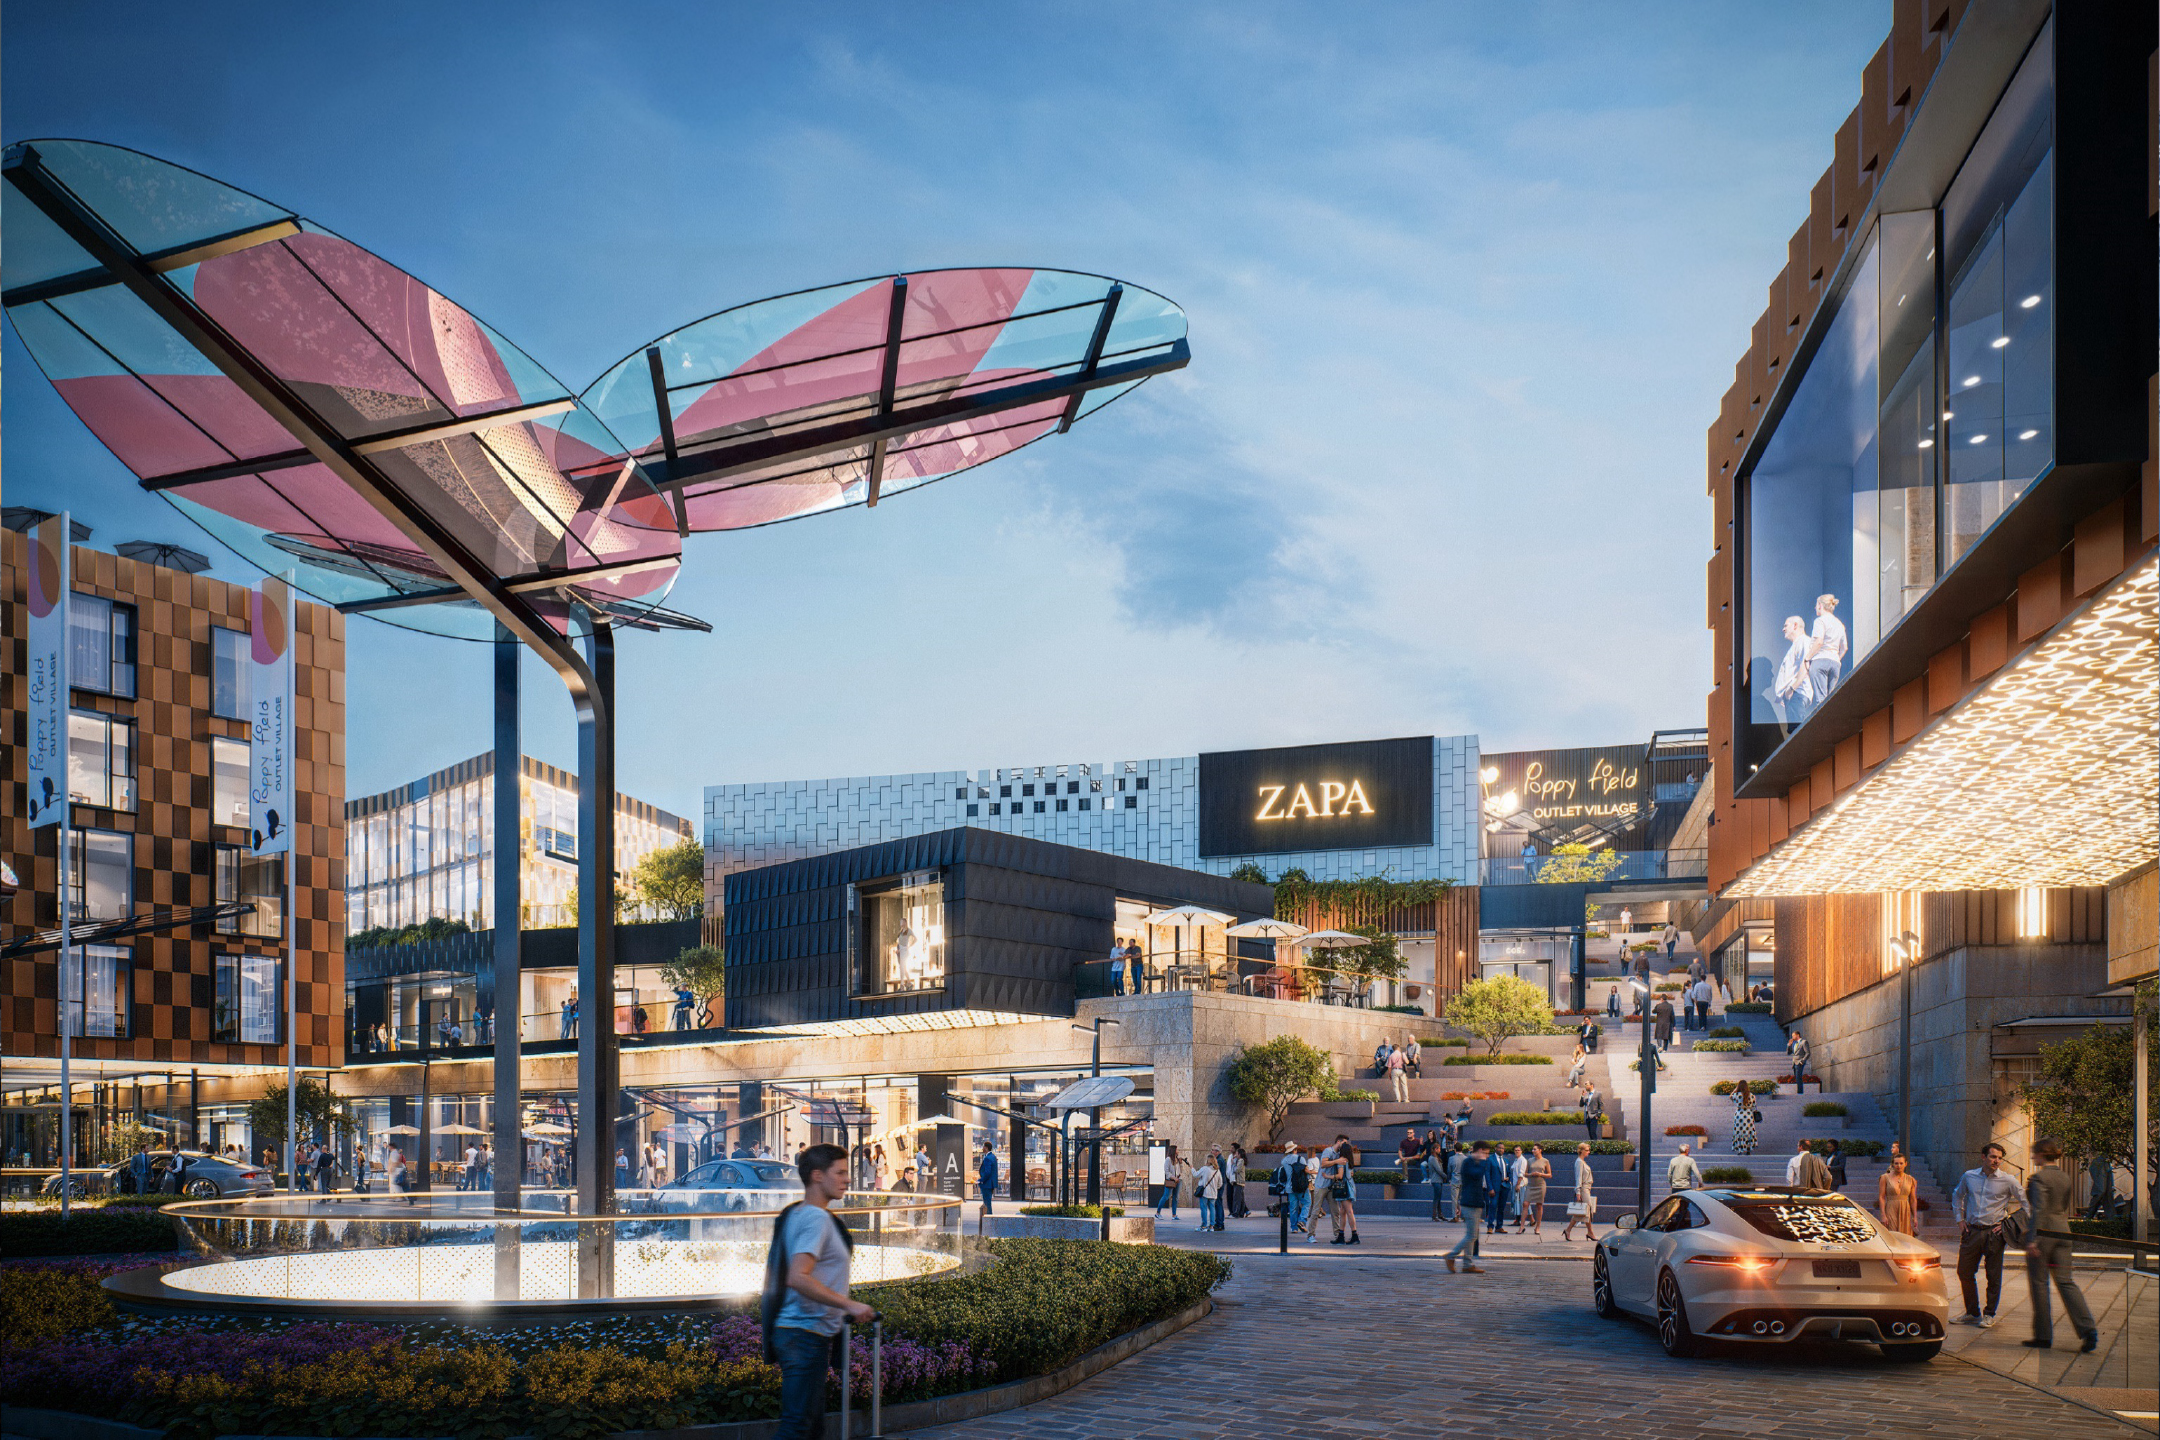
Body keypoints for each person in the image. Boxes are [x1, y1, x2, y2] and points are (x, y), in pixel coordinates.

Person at [765, 1143, 875, 1440]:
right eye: (839, 1172)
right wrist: (848, 1305)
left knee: (810, 1427)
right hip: (804, 1334)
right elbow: (798, 1277)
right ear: (817, 1175)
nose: (847, 1179)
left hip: (804, 1334)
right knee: (798, 1426)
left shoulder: (799, 1214)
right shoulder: (815, 1218)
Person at [2022, 1137, 2098, 1352]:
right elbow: (2062, 1206)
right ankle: (2088, 1329)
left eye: (2034, 1153)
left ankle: (2043, 1336)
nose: (2032, 1156)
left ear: (2041, 1154)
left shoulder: (2038, 1178)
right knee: (2066, 1282)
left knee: (2039, 1284)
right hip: (2064, 1232)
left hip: (2044, 1234)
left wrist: (2032, 1239)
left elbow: (2039, 1210)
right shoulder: (2064, 1177)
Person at [1952, 1142, 2026, 1328]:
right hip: (1971, 1231)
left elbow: (2028, 1204)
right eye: (1993, 1157)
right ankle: (1972, 1312)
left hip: (1994, 1234)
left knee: (1993, 1276)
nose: (1997, 1161)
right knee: (1964, 1272)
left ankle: (1989, 1314)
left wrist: (2008, 1224)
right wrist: (1959, 1220)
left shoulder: (2008, 1180)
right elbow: (1957, 1195)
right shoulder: (1969, 1176)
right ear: (1983, 1157)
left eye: (2000, 1158)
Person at [1444, 1141, 1504, 1274]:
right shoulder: (1468, 1162)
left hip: (1475, 1202)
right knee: (1471, 1236)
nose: (1487, 1156)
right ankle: (1451, 1256)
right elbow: (1475, 1175)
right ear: (1479, 1151)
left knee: (1472, 1235)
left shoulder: (1475, 1162)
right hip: (1469, 1203)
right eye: (1486, 1153)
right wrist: (1483, 1161)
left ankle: (1467, 1264)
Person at [1767, 614, 1815, 734]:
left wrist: (1791, 689)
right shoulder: (1797, 645)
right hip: (1793, 696)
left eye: (1785, 626)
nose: (1783, 629)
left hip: (1796, 695)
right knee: (1794, 731)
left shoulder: (1804, 641)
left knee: (1797, 733)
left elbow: (1805, 665)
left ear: (1795, 625)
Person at [1805, 592, 1848, 712]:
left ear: (1820, 605)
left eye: (1816, 605)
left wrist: (1807, 658)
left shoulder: (1820, 621)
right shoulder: (1839, 624)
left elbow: (1819, 642)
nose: (1815, 608)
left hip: (1820, 660)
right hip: (1835, 663)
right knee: (1830, 701)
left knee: (1821, 700)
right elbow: (1844, 647)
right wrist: (1836, 658)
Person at [1560, 1143, 1599, 1242]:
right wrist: (1578, 1192)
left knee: (1582, 1211)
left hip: (1587, 1188)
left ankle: (1568, 1230)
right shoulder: (1579, 1162)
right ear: (1581, 1150)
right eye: (1587, 1150)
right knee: (1586, 1211)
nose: (1588, 1152)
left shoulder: (1582, 1162)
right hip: (1583, 1189)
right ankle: (1590, 1232)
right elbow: (1578, 1177)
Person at [1274, 1142, 1313, 1237]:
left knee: (1293, 1208)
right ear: (1294, 1150)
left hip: (1290, 1188)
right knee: (1307, 1202)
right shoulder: (1301, 1159)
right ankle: (1302, 1221)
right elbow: (1306, 1172)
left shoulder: (1284, 1161)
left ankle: (1294, 1228)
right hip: (1301, 1187)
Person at [1877, 1152, 1919, 1235]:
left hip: (1905, 1210)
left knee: (1905, 1236)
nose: (1899, 1166)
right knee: (1892, 1234)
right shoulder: (1885, 1177)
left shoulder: (1911, 1180)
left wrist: (1915, 1216)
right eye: (1896, 1163)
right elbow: (1881, 1197)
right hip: (1890, 1208)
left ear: (1905, 1164)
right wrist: (1883, 1215)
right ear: (1892, 1164)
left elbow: (1913, 1199)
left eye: (1901, 1163)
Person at [1521, 1145, 1550, 1236]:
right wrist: (1531, 1174)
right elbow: (1525, 1173)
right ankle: (1522, 1226)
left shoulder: (1545, 1161)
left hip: (1540, 1185)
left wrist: (1541, 1174)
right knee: (1525, 1203)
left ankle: (1537, 1227)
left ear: (1540, 1150)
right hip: (1530, 1185)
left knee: (1539, 1205)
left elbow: (1549, 1175)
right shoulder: (1529, 1160)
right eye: (1532, 1149)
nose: (1533, 1150)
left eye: (1535, 1149)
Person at [1193, 1150, 1222, 1232]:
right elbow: (1220, 1183)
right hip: (1213, 1193)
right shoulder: (1217, 1171)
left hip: (1205, 1193)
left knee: (1204, 1209)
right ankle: (1212, 1226)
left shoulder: (1204, 1169)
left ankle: (1204, 1226)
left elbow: (1195, 1174)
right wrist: (1215, 1187)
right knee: (1212, 1209)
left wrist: (1192, 1168)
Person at [1154, 1146, 1185, 1222]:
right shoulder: (1168, 1159)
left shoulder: (1177, 1159)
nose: (1178, 1151)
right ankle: (1158, 1213)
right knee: (1166, 1196)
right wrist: (1173, 1178)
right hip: (1171, 1180)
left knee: (1175, 1197)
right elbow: (1166, 1171)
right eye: (1177, 1149)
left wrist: (1181, 1164)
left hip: (1178, 1180)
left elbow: (1181, 1170)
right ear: (1173, 1150)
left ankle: (1174, 1215)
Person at [1730, 1083, 1758, 1156]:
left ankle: (1740, 1149)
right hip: (1748, 1115)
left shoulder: (1736, 1094)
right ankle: (1748, 1149)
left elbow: (1730, 1097)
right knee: (1748, 1132)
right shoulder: (1751, 1095)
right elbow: (1754, 1106)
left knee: (1739, 1132)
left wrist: (1735, 1090)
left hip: (1739, 1114)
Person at [2086, 1154, 2117, 1220]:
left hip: (2107, 1161)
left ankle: (2111, 1220)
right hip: (2099, 1161)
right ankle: (2089, 1216)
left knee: (2108, 1193)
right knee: (2101, 1191)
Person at [1225, 1144, 1248, 1220]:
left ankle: (1235, 1213)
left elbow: (1236, 1170)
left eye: (1237, 1154)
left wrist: (1233, 1163)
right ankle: (1241, 1213)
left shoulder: (1241, 1160)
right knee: (1239, 1199)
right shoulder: (1238, 1160)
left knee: (1236, 1199)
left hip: (1238, 1182)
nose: (1236, 1155)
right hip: (1237, 1181)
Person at [976, 1141, 999, 1216]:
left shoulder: (987, 1158)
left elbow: (987, 1172)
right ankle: (989, 1217)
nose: (982, 1148)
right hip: (991, 1183)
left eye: (983, 1147)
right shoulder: (993, 1156)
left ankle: (989, 1219)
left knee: (987, 1203)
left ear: (986, 1148)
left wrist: (980, 1180)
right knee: (988, 1202)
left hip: (987, 1184)